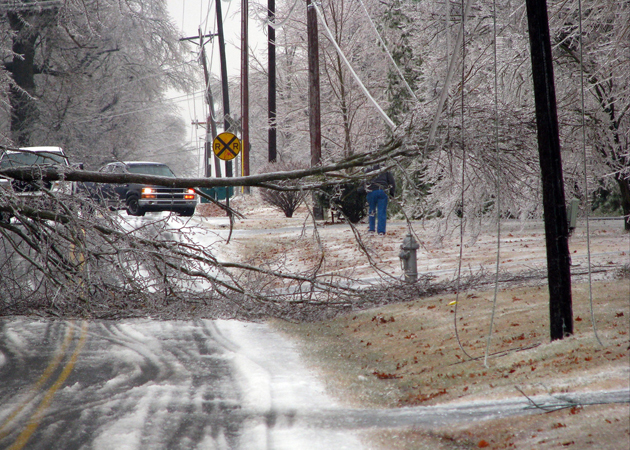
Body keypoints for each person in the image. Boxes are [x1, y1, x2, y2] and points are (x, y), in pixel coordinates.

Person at [364, 165, 395, 235]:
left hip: (371, 191)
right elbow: (392, 181)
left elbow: (364, 180)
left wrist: (363, 190)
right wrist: (392, 193)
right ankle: (381, 231)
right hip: (382, 190)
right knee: (382, 211)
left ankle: (371, 229)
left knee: (371, 210)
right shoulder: (385, 168)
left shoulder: (368, 168)